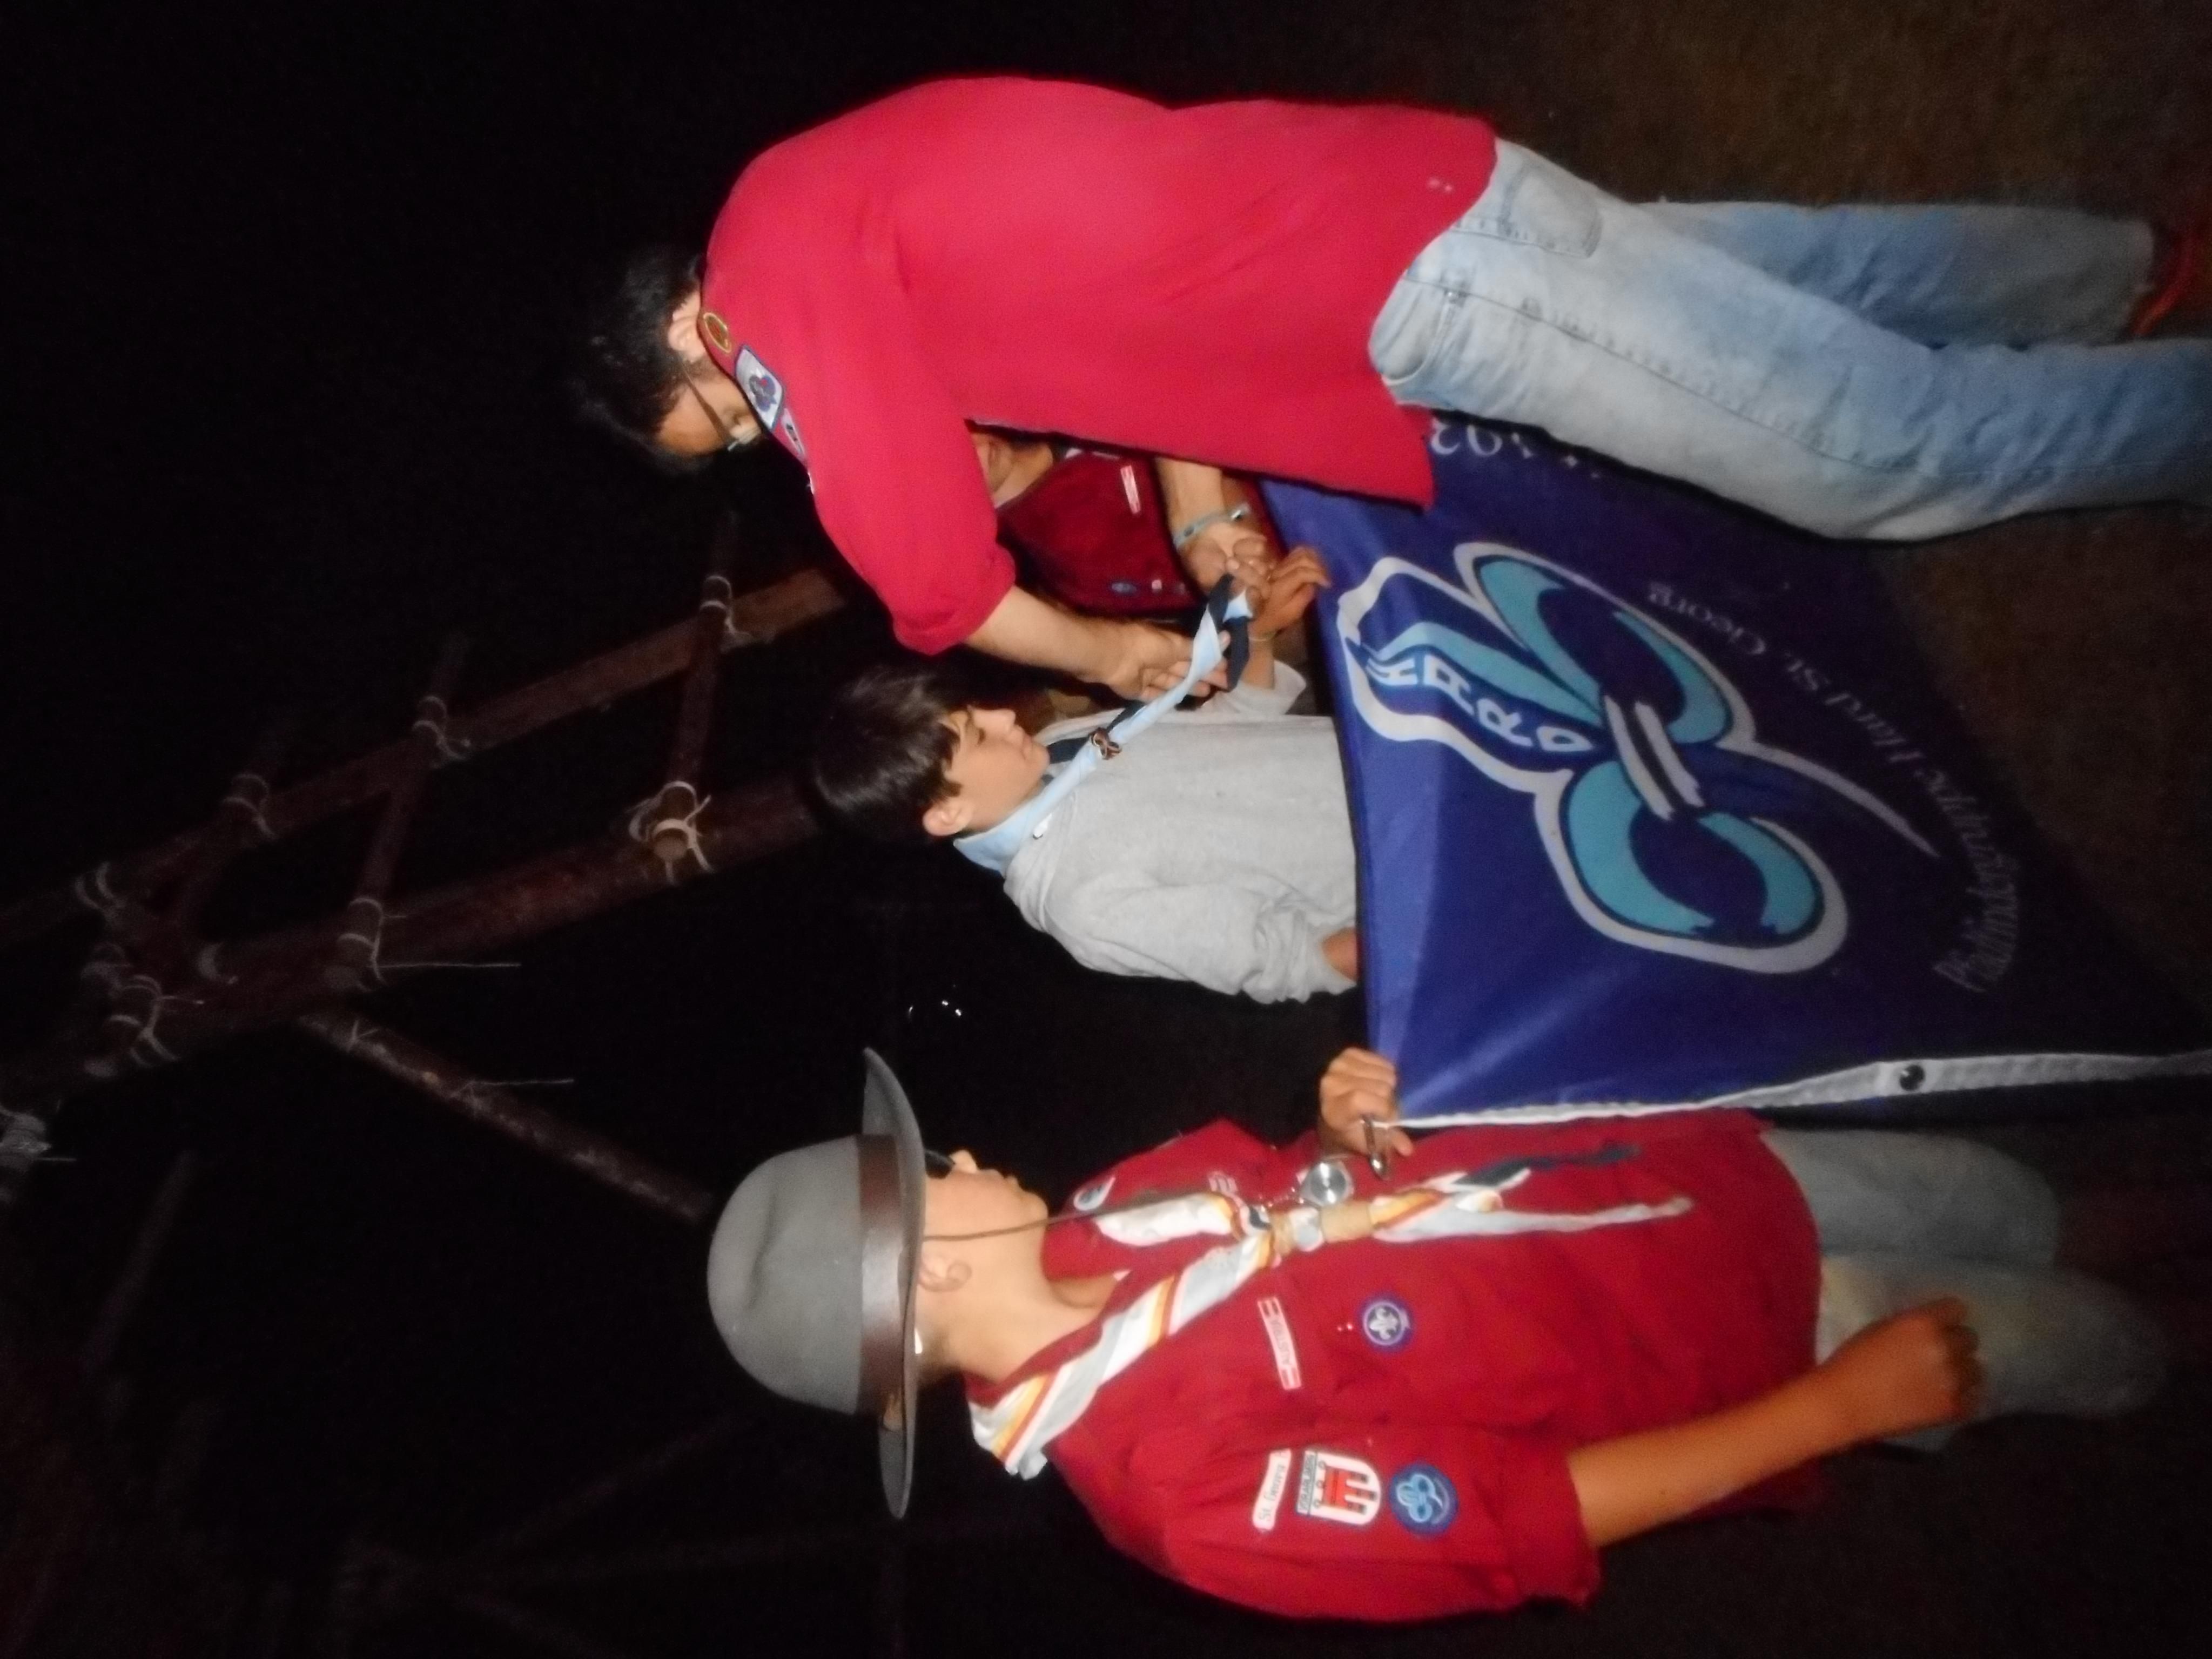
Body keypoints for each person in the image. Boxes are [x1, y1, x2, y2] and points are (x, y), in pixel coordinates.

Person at [569, 78, 2210, 694]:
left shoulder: (767, 281)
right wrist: (1203, 533)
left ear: (691, 341)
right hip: (1398, 202)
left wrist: (1111, 655)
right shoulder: (836, 208)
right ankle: (2115, 273)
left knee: (1865, 451)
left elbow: (933, 579)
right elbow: (1121, 318)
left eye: (722, 425)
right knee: (1801, 279)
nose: (756, 438)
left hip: (1394, 284)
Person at [705, 1048, 2169, 1623]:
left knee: (2012, 1199)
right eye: (932, 1172)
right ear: (927, 1272)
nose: (960, 1154)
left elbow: (1310, 1191)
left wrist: (1345, 1130)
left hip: (1670, 1179)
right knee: (2095, 1339)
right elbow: (1524, 1516)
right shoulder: (1177, 1494)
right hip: (1766, 1345)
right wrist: (1833, 1411)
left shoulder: (1109, 1204)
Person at [811, 551, 1358, 1001]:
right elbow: (1290, 959)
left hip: (1381, 753)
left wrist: (1259, 636)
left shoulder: (1058, 747)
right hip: (1401, 852)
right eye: (977, 735)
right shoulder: (1081, 904)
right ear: (949, 812)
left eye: (977, 711)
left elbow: (1231, 730)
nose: (1004, 718)